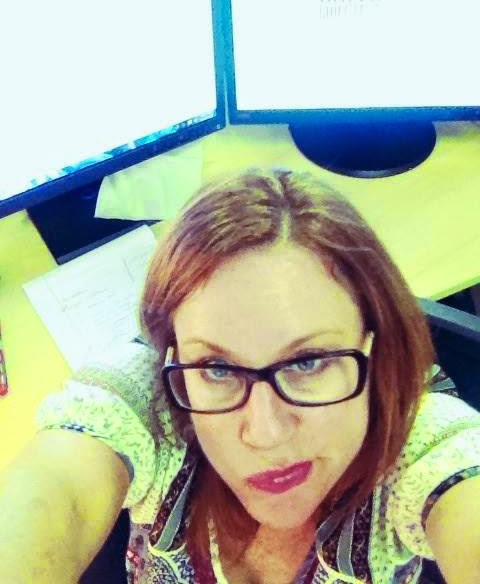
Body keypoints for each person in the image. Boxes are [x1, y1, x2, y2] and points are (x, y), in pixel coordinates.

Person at [1, 166, 480, 584]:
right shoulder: (154, 398)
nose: (265, 433)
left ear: (371, 344)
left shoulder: (421, 443)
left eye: (307, 362)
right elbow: (56, 495)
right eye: (217, 368)